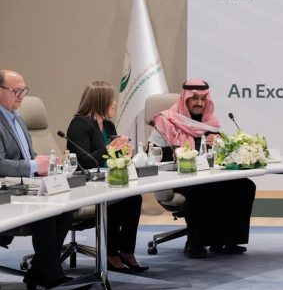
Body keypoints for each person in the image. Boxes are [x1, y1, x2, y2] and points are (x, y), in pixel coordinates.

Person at [152, 79, 255, 259]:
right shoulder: (165, 120)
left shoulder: (210, 122)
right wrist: (178, 151)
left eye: (203, 99)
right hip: (178, 176)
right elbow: (153, 152)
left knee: (244, 186)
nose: (199, 103)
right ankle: (195, 242)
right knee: (203, 190)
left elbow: (222, 155)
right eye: (195, 98)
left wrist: (220, 143)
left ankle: (227, 240)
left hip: (209, 175)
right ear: (185, 99)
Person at [0, 69, 73, 290]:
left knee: (66, 210)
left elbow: (28, 155)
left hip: (27, 187)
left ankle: (39, 271)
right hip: (7, 192)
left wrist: (44, 165)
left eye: (24, 90)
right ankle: (51, 276)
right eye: (16, 90)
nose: (22, 95)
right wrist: (34, 165)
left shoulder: (19, 120)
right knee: (46, 214)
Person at [65, 81, 147, 273]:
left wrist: (124, 152)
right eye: (112, 100)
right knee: (116, 201)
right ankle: (110, 254)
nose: (115, 103)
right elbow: (83, 161)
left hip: (107, 181)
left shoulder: (108, 125)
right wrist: (111, 148)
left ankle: (126, 251)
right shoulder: (79, 124)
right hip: (86, 185)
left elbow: (111, 156)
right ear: (101, 101)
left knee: (134, 198)